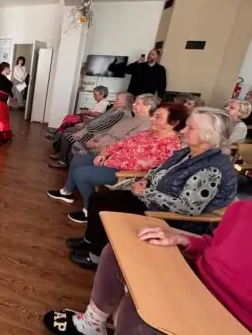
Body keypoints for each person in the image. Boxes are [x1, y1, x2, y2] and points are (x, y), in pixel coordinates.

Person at [42, 201, 252, 334]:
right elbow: (214, 243)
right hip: (195, 277)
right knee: (117, 252)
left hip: (229, 316)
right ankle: (92, 324)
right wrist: (184, 239)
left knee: (140, 307)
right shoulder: (242, 208)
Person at [67, 107, 237, 270]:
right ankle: (89, 242)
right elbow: (159, 169)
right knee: (98, 199)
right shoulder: (188, 152)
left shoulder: (212, 168)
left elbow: (188, 208)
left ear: (208, 135)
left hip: (171, 217)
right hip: (152, 200)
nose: (183, 131)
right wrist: (146, 179)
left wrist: (146, 192)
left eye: (190, 128)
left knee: (107, 207)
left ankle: (95, 257)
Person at [48, 104, 187, 224]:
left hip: (124, 173)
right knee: (79, 158)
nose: (151, 119)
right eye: (153, 115)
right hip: (110, 161)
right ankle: (66, 192)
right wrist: (104, 153)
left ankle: (90, 211)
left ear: (174, 122)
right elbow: (121, 144)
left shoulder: (171, 146)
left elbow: (147, 168)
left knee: (81, 174)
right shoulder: (147, 133)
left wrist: (110, 162)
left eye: (158, 117)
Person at [49, 93, 133, 169]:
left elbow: (103, 125)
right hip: (93, 130)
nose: (115, 100)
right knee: (68, 130)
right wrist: (84, 124)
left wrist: (84, 130)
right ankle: (62, 155)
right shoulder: (115, 110)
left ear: (124, 103)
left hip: (97, 134)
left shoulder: (121, 113)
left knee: (68, 136)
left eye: (117, 99)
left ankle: (63, 161)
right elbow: (98, 119)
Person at [71, 93, 158, 157]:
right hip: (100, 142)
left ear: (147, 107)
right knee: (76, 146)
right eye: (134, 102)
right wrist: (94, 138)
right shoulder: (131, 118)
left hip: (106, 151)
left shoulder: (145, 125)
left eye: (137, 103)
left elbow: (124, 143)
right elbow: (109, 131)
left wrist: (96, 145)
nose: (133, 105)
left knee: (79, 152)